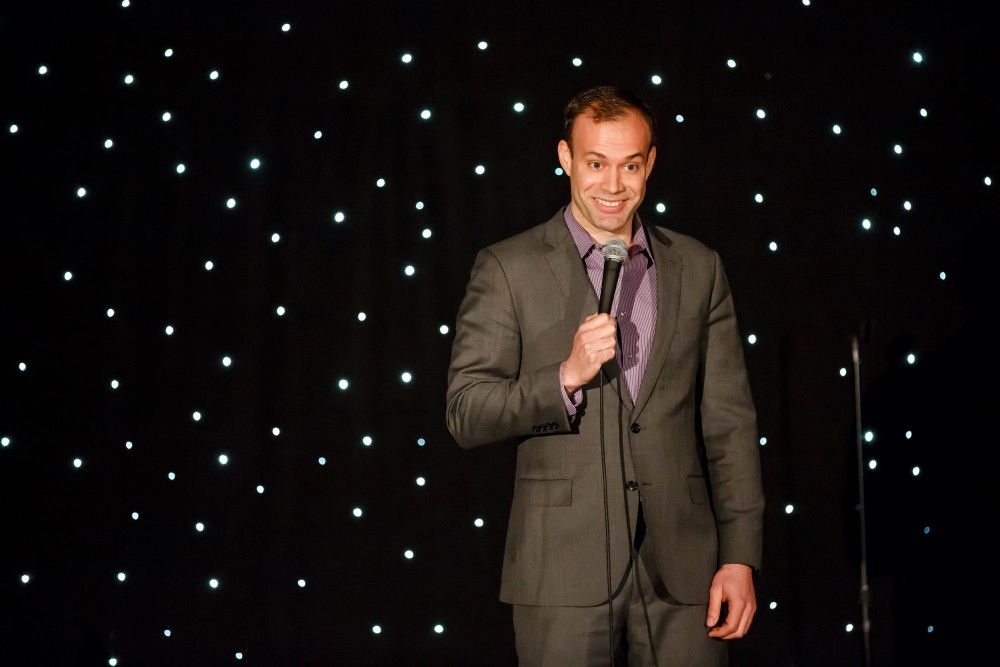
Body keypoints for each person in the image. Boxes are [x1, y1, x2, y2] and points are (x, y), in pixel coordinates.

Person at [446, 85, 764, 666]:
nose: (613, 186)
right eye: (595, 163)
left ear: (650, 164)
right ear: (565, 157)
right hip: (561, 569)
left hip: (685, 570)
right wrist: (563, 377)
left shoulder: (699, 267)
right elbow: (466, 411)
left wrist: (740, 557)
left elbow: (730, 424)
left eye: (629, 165)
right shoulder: (507, 268)